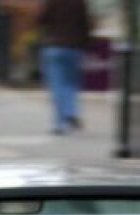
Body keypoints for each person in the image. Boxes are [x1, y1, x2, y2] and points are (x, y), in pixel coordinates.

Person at [37, 0, 92, 135]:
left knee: (57, 85)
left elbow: (41, 20)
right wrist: (85, 45)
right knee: (71, 83)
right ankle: (70, 112)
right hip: (74, 48)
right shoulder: (79, 2)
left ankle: (59, 123)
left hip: (54, 46)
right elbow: (86, 25)